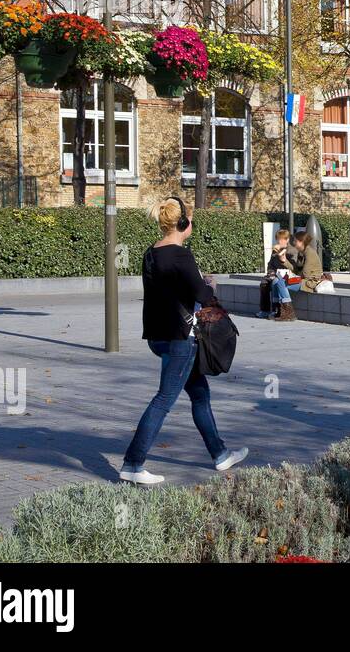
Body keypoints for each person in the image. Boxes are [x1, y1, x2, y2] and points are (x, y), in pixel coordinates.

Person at [119, 197, 248, 485]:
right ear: (182, 223)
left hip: (157, 336)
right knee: (163, 400)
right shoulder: (181, 256)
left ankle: (220, 454)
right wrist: (210, 285)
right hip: (180, 339)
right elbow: (202, 295)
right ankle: (132, 463)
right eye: (189, 218)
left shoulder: (151, 253)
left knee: (200, 393)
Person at [259, 228, 300, 321]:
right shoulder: (275, 250)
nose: (279, 241)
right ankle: (265, 310)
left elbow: (293, 267)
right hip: (275, 273)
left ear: (287, 239)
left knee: (276, 282)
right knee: (264, 283)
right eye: (278, 239)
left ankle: (278, 310)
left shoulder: (292, 250)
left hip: (287, 275)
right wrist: (270, 272)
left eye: (282, 239)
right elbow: (270, 264)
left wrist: (282, 258)